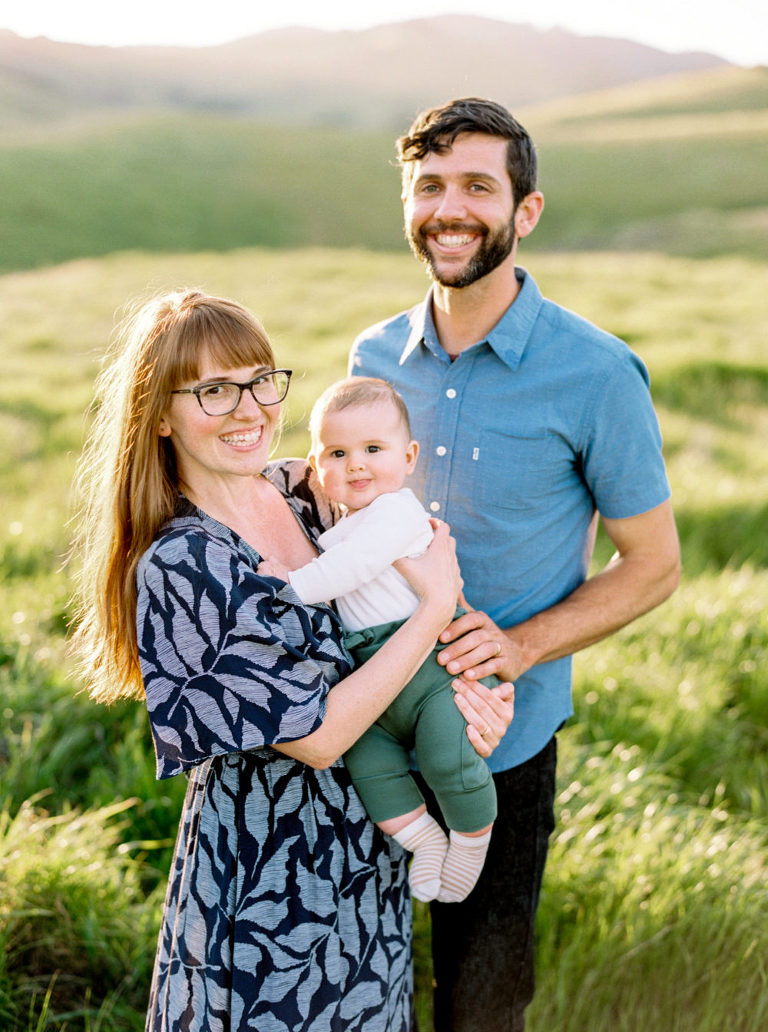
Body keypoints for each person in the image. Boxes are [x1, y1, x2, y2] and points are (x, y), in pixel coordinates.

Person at [69, 288, 515, 1032]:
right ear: (158, 414)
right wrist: (436, 609)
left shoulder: (302, 492)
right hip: (270, 888)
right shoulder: (183, 564)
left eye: (259, 381)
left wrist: (467, 702)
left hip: (368, 853)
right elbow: (319, 736)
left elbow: (398, 591)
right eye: (213, 390)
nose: (248, 410)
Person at [348, 97, 681, 1031]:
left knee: (480, 1002)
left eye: (478, 187)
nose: (449, 208)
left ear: (524, 212)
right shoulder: (372, 356)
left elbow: (652, 564)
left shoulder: (598, 373)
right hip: (365, 716)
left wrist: (523, 646)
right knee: (355, 975)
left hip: (506, 741)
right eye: (430, 186)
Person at [259, 376, 498, 906]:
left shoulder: (397, 513)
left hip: (433, 667)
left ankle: (471, 840)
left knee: (448, 759)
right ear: (317, 467)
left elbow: (351, 569)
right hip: (373, 677)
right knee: (370, 766)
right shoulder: (334, 531)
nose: (356, 465)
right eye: (338, 453)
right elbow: (340, 563)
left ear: (409, 456)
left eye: (373, 449)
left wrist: (292, 583)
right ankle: (425, 840)